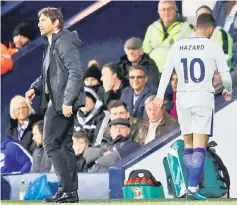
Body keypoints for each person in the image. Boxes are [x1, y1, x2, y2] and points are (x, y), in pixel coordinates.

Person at [154, 13, 232, 200]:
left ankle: (190, 186)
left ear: (195, 27)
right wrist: (227, 90)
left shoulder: (178, 45)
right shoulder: (212, 46)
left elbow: (166, 73)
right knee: (200, 146)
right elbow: (225, 74)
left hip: (182, 99)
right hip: (202, 99)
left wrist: (158, 96)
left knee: (188, 143)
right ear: (211, 29)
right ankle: (192, 188)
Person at [25, 7, 84, 203]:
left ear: (56, 22)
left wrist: (68, 100)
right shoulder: (53, 43)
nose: (39, 24)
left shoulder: (64, 42)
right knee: (64, 146)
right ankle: (69, 192)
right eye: (39, 20)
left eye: (43, 20)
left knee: (50, 143)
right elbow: (49, 75)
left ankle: (66, 189)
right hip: (59, 99)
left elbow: (75, 73)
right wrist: (36, 87)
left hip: (62, 101)